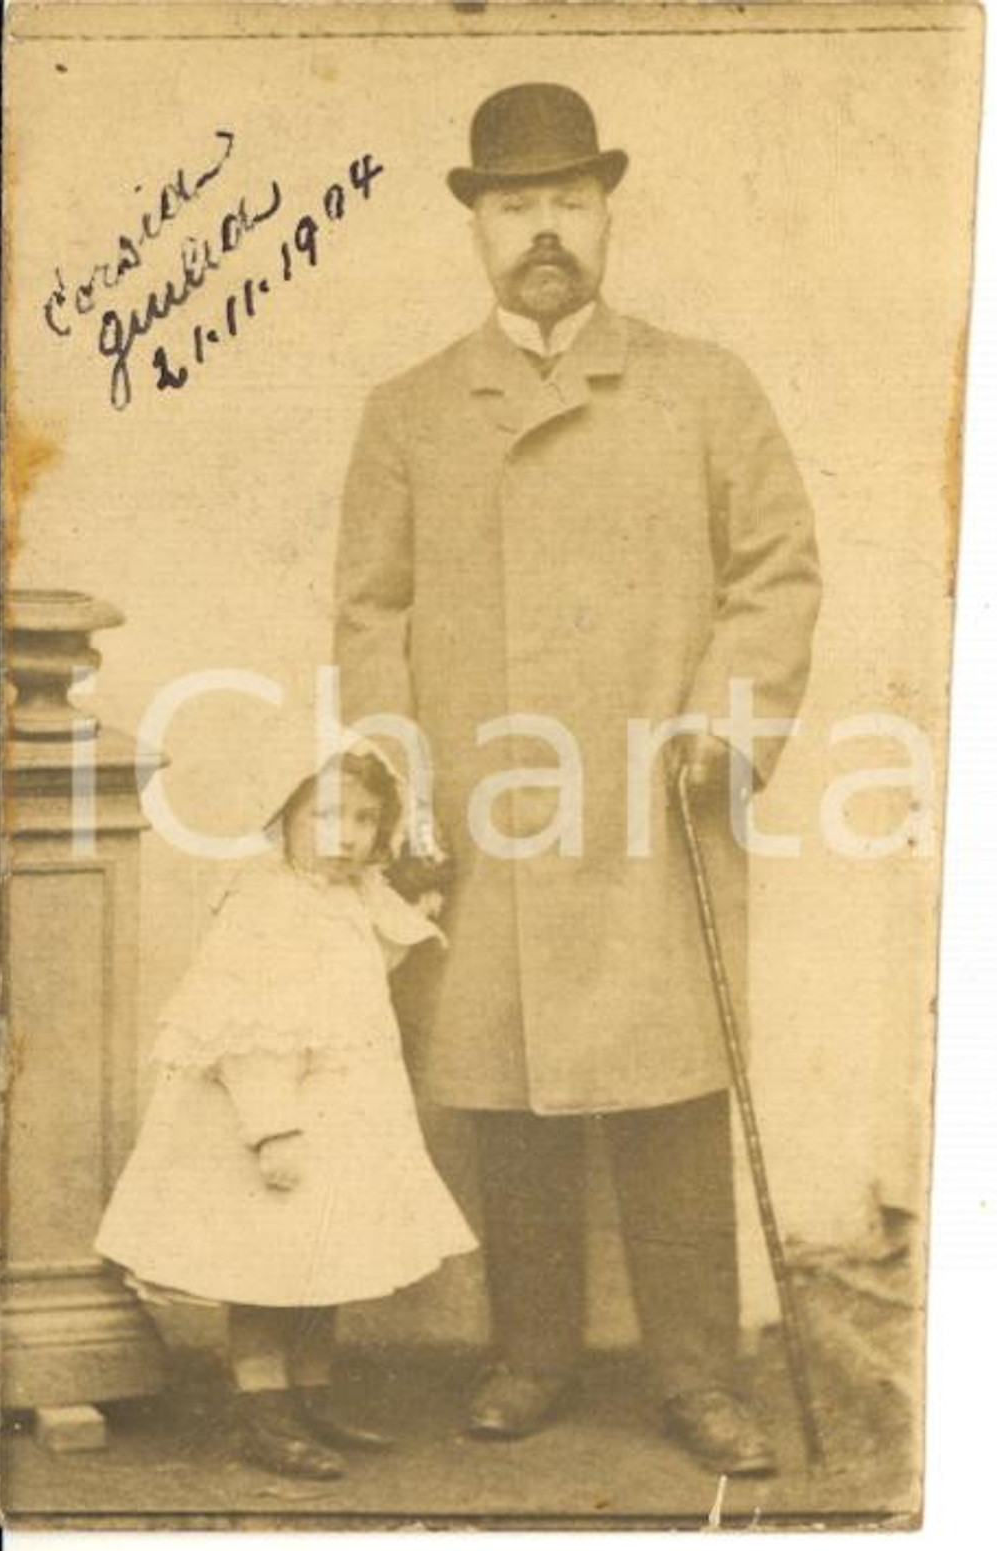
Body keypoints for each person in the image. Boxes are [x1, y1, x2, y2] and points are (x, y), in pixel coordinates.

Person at [334, 82, 821, 1475]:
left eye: (568, 201)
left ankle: (699, 1378)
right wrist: (395, 774)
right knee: (505, 1090)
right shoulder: (411, 410)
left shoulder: (704, 385)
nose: (543, 230)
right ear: (476, 228)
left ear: (605, 213)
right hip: (480, 813)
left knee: (670, 1090)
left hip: (653, 801)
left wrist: (726, 720)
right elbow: (368, 615)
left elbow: (775, 570)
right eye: (513, 206)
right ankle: (530, 1356)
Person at [95, 740, 477, 1479]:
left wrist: (422, 890)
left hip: (344, 1114)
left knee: (322, 1260)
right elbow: (243, 1028)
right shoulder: (262, 901)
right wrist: (271, 1127)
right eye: (327, 814)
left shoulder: (353, 891)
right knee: (268, 1271)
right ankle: (262, 1411)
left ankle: (312, 1395)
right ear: (286, 817)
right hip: (276, 1120)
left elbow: (388, 948)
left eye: (366, 818)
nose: (347, 834)